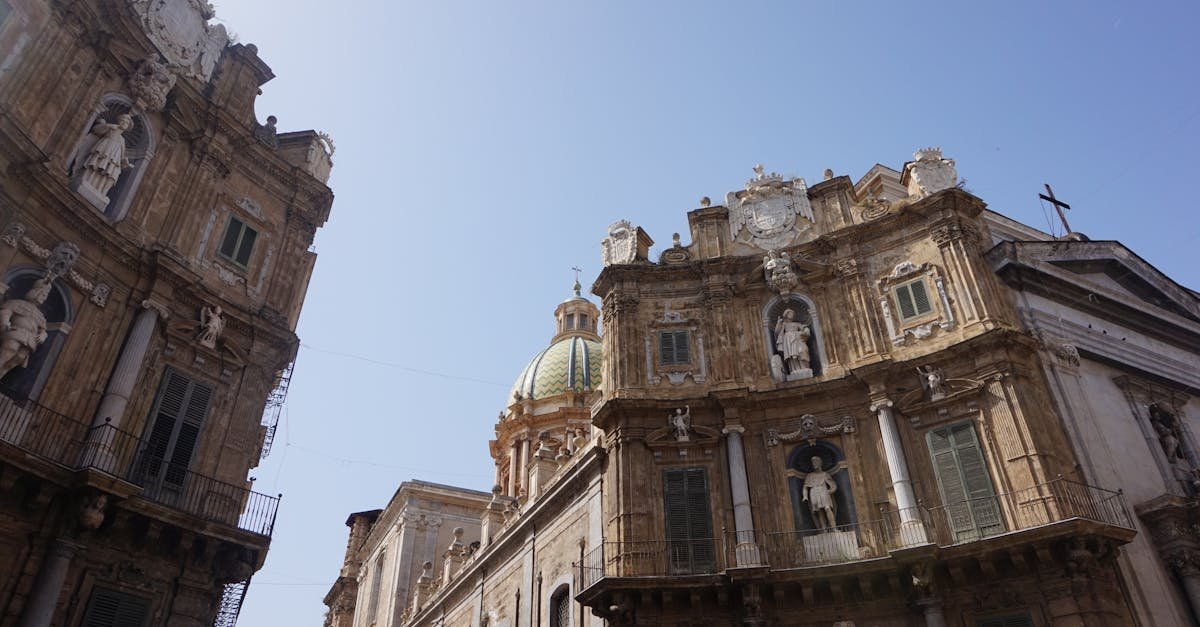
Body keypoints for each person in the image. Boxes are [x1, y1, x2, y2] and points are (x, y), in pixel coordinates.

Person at [0, 278, 52, 379]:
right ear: (35, 292)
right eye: (42, 294)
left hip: (30, 340)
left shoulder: (40, 315)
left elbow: (43, 330)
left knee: (19, 357)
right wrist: (5, 320)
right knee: (9, 350)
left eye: (45, 296)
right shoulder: (17, 303)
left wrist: (43, 335)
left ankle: (2, 374)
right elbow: (6, 311)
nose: (43, 297)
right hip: (15, 332)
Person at [80, 114, 134, 200]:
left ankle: (101, 191)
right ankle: (86, 180)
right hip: (104, 150)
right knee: (97, 164)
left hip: (113, 158)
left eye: (127, 122)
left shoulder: (122, 140)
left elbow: (122, 155)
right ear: (119, 121)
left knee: (112, 173)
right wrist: (108, 126)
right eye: (123, 120)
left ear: (128, 127)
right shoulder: (111, 129)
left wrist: (125, 162)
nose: (124, 122)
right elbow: (96, 130)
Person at [803, 455, 838, 530]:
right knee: (819, 512)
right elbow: (805, 487)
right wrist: (805, 496)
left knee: (827, 508)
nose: (814, 464)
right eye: (813, 462)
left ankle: (834, 528)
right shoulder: (809, 476)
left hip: (823, 491)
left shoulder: (825, 474)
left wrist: (830, 491)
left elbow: (833, 485)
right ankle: (824, 529)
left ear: (820, 463)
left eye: (816, 462)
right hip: (814, 493)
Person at [774, 309, 810, 374]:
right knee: (792, 356)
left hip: (798, 339)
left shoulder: (797, 323)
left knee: (802, 351)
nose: (792, 315)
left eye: (792, 314)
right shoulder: (784, 324)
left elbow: (804, 327)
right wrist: (778, 323)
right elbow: (777, 332)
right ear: (786, 315)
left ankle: (804, 367)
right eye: (790, 313)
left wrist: (806, 330)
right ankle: (794, 370)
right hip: (788, 340)